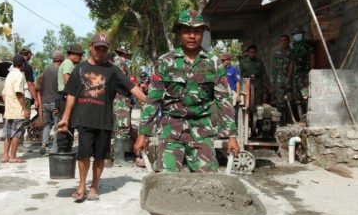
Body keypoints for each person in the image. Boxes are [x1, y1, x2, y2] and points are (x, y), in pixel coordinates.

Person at [134, 10, 239, 173]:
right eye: (187, 31)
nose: (192, 36)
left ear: (202, 34)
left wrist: (231, 136)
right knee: (165, 182)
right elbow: (153, 101)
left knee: (208, 181)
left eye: (197, 31)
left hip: (202, 128)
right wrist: (143, 135)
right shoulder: (165, 62)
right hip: (171, 128)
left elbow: (223, 101)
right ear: (179, 33)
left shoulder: (214, 63)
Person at [58, 33, 146, 202]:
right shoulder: (80, 68)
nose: (100, 52)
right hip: (83, 118)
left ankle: (94, 187)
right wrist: (65, 118)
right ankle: (82, 185)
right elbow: (71, 94)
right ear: (91, 47)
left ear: (108, 50)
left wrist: (149, 101)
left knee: (100, 157)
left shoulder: (113, 70)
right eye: (97, 48)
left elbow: (132, 87)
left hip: (104, 120)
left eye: (104, 49)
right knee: (83, 154)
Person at [1, 55, 30, 163]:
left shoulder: (9, 75)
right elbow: (19, 93)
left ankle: (5, 156)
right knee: (16, 134)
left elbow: (3, 94)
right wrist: (25, 109)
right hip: (17, 110)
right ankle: (13, 157)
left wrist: (8, 105)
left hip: (9, 110)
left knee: (8, 134)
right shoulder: (19, 76)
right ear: (22, 64)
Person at [56, 44, 84, 153]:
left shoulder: (67, 63)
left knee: (69, 123)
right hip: (66, 96)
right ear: (73, 55)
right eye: (79, 55)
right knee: (65, 121)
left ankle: (66, 148)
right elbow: (67, 79)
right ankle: (63, 149)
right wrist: (72, 93)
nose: (80, 58)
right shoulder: (68, 63)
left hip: (65, 95)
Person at [36, 50, 64, 155]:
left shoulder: (46, 71)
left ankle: (44, 144)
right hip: (55, 102)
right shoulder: (60, 71)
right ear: (61, 60)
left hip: (45, 102)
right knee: (57, 126)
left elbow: (40, 88)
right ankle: (54, 149)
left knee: (47, 125)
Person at [112, 43, 134, 167]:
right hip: (120, 97)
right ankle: (119, 158)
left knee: (117, 126)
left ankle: (115, 156)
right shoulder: (122, 62)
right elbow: (124, 81)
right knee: (122, 126)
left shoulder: (111, 61)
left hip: (114, 97)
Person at [271, 34, 296, 122]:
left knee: (290, 99)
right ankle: (281, 121)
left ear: (288, 41)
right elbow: (274, 68)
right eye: (282, 40)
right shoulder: (277, 54)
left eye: (285, 40)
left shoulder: (292, 52)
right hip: (279, 80)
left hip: (289, 79)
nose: (283, 42)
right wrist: (273, 83)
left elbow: (292, 65)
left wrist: (288, 78)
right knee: (279, 101)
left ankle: (291, 120)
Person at [239, 43, 268, 108]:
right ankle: (248, 117)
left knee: (258, 104)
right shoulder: (243, 62)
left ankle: (257, 117)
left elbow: (264, 74)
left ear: (256, 53)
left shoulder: (259, 62)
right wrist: (240, 87)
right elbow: (240, 75)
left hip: (257, 84)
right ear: (248, 53)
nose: (252, 54)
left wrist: (267, 86)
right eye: (251, 52)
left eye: (254, 52)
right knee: (247, 103)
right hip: (247, 84)